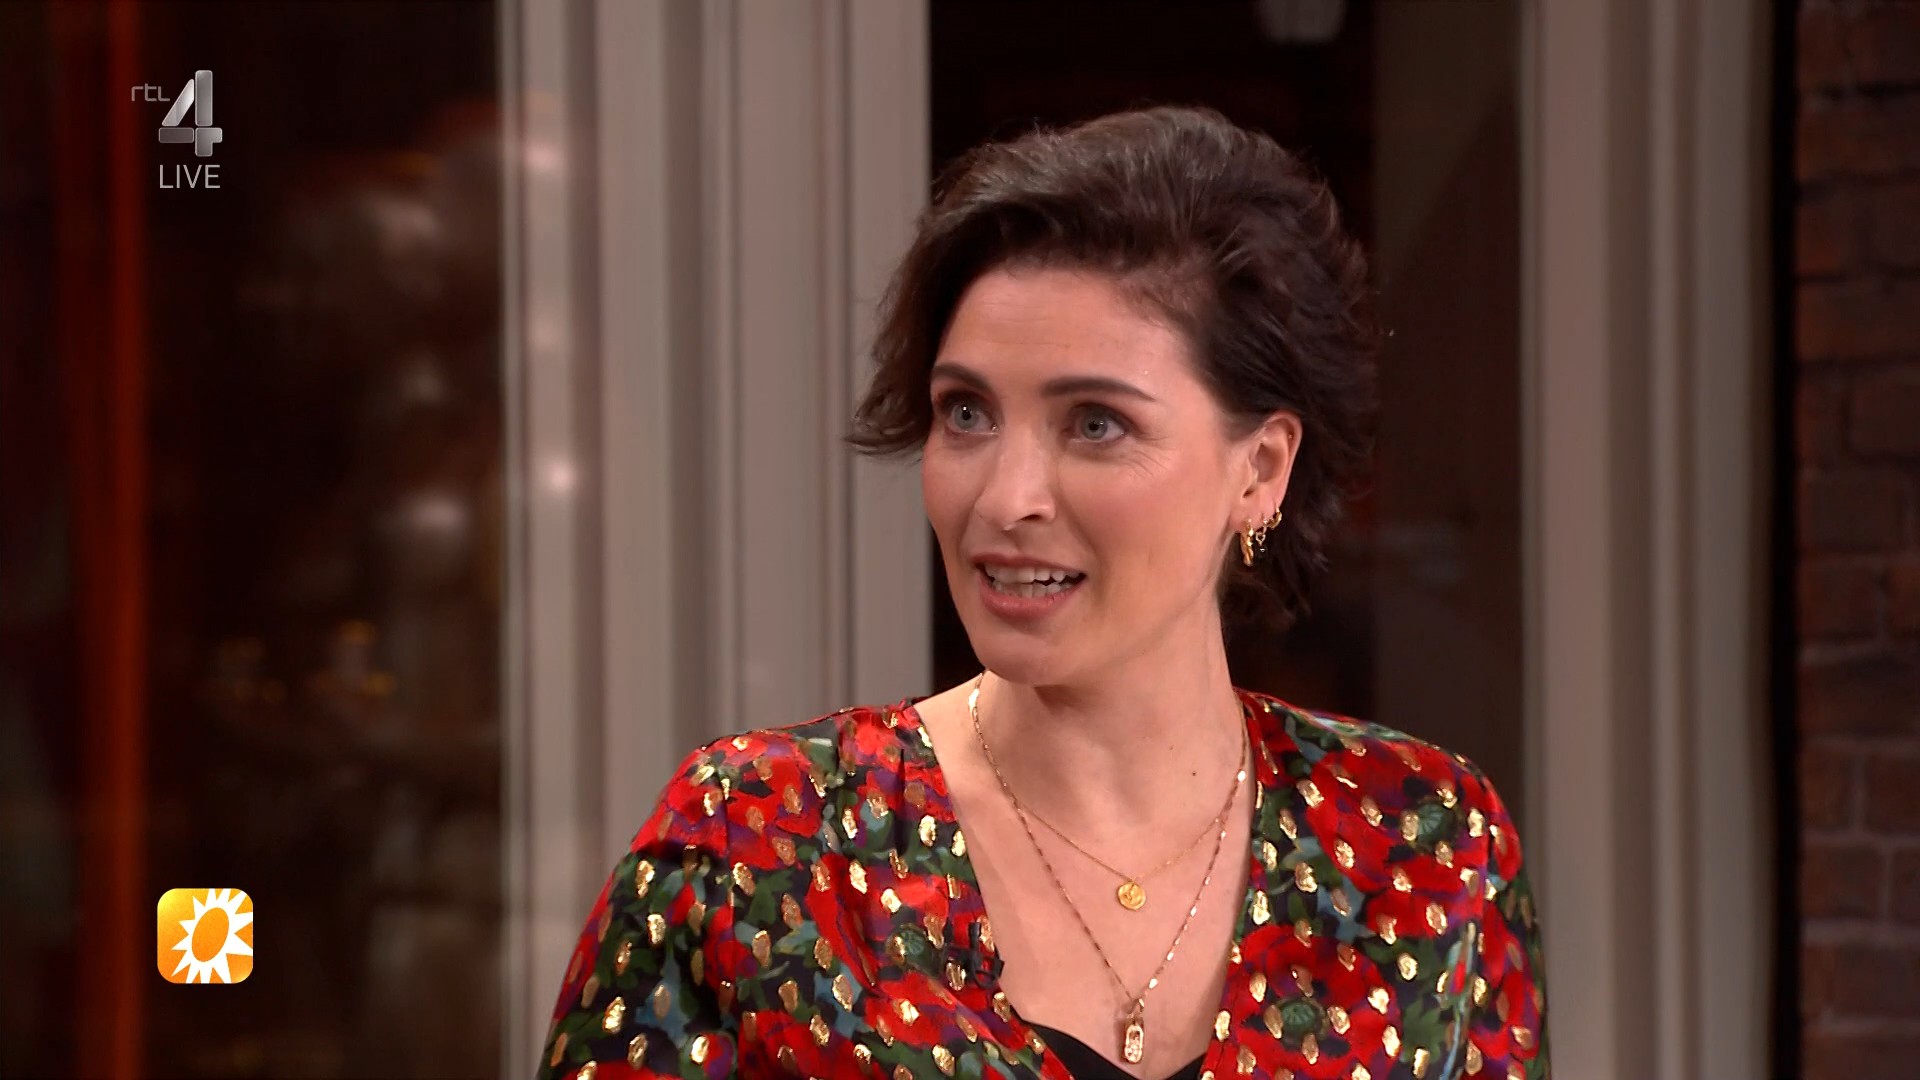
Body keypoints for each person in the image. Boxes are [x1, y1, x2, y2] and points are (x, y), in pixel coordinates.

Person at [535, 104, 1548, 1080]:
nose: (1004, 497)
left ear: (1260, 470)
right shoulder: (759, 843)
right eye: (966, 413)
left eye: (1096, 424)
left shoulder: (1425, 845)